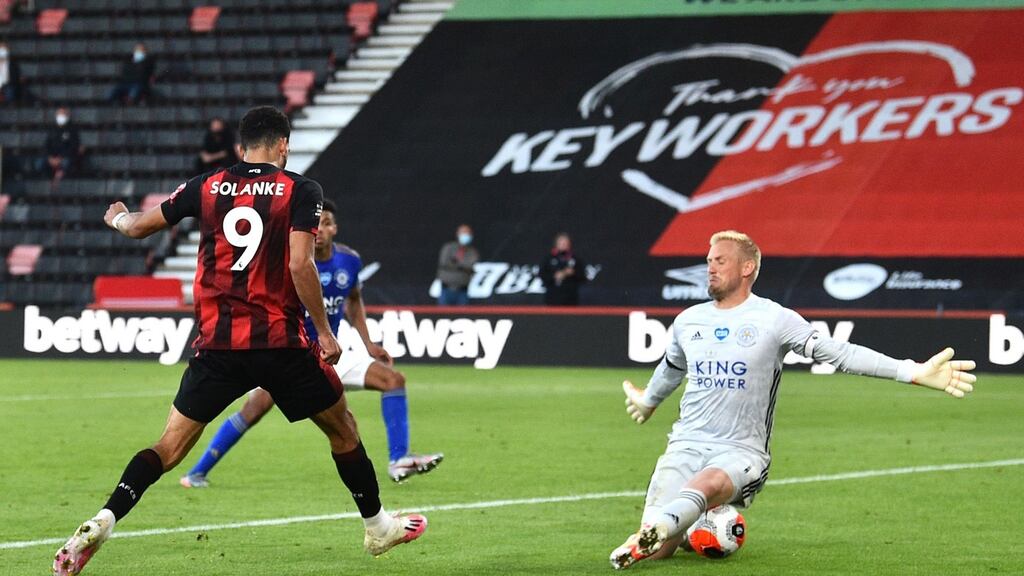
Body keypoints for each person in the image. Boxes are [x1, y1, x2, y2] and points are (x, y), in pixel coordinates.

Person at [53, 106, 426, 576]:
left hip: (216, 346)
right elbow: (298, 264)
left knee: (168, 446)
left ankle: (106, 517)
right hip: (281, 344)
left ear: (240, 147)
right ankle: (377, 527)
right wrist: (326, 331)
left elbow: (138, 227)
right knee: (342, 428)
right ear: (283, 145)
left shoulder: (206, 186)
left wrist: (119, 219)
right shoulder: (300, 189)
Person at [609, 230, 976, 570]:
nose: (711, 267)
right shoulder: (689, 320)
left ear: (747, 267)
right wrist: (649, 401)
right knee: (661, 552)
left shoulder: (774, 319)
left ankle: (654, 530)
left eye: (720, 260)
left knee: (707, 484)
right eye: (708, 260)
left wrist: (910, 371)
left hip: (740, 451)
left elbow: (839, 353)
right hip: (685, 444)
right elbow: (672, 366)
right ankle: (679, 531)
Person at [179, 198, 443, 488]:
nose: (320, 229)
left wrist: (369, 345)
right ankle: (197, 471)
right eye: (315, 224)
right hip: (291, 354)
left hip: (333, 352)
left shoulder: (350, 261)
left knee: (393, 380)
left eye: (326, 223)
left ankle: (399, 459)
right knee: (254, 409)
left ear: (335, 228)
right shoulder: (290, 263)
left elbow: (353, 300)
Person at [539, 232, 586, 305]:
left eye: (565, 243)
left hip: (571, 298)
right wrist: (554, 276)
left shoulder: (575, 259)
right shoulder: (548, 259)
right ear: (556, 244)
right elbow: (542, 275)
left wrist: (573, 273)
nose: (563, 245)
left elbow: (583, 277)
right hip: (552, 298)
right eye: (561, 243)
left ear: (569, 244)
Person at [436, 223, 478, 305]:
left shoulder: (473, 252)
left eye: (467, 233)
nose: (465, 235)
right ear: (458, 234)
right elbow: (444, 262)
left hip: (462, 291)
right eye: (463, 233)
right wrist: (462, 265)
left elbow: (470, 265)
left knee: (462, 315)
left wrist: (455, 261)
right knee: (443, 315)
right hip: (446, 289)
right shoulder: (448, 247)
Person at [42, 107, 84, 186]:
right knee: (40, 164)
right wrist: (50, 158)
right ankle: (47, 184)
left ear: (67, 115)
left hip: (66, 157)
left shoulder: (72, 130)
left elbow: (73, 147)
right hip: (53, 157)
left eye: (63, 114)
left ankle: (61, 180)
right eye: (59, 114)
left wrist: (60, 158)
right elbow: (46, 146)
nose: (60, 116)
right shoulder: (52, 129)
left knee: (67, 163)